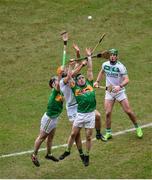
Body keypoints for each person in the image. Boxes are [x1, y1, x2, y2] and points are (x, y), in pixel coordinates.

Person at [94, 48, 143, 140]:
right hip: (109, 92)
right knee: (108, 113)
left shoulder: (121, 66)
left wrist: (119, 86)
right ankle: (108, 133)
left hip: (119, 92)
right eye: (111, 55)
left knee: (128, 111)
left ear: (117, 56)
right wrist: (97, 81)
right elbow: (102, 72)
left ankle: (137, 127)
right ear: (109, 56)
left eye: (114, 55)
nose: (112, 57)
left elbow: (127, 79)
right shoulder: (105, 64)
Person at [59, 48, 96, 167]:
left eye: (82, 78)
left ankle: (86, 155)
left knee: (88, 136)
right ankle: (68, 151)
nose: (80, 79)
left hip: (86, 111)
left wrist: (86, 56)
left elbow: (87, 68)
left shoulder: (85, 82)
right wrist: (72, 66)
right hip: (76, 111)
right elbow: (71, 76)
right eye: (78, 78)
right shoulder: (70, 84)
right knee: (74, 134)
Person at [31, 76, 64, 167]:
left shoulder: (59, 91)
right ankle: (34, 155)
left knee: (50, 138)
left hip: (54, 119)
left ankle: (49, 154)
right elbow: (58, 84)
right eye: (56, 80)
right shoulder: (55, 91)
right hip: (49, 119)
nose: (58, 81)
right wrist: (60, 74)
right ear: (53, 84)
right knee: (42, 137)